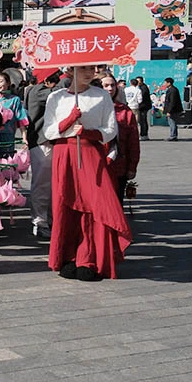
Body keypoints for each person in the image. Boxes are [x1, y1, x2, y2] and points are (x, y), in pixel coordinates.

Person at [44, 65, 131, 281]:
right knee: (65, 205)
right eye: (82, 68)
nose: (88, 72)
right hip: (64, 154)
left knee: (96, 205)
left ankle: (91, 257)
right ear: (70, 70)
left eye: (91, 68)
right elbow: (48, 130)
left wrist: (90, 132)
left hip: (91, 153)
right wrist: (69, 120)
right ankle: (68, 256)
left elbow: (111, 130)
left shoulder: (101, 95)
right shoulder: (56, 98)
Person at [25, 68, 61, 240]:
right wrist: (69, 75)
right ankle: (39, 222)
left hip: (54, 143)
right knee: (42, 185)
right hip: (41, 143)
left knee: (55, 186)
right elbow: (57, 93)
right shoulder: (37, 91)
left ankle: (53, 220)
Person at [100, 74, 140, 204]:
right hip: (96, 162)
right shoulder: (89, 109)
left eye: (112, 85)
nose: (110, 88)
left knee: (116, 202)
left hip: (118, 164)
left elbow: (133, 141)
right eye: (106, 85)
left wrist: (132, 166)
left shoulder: (124, 111)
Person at [0, 73, 29, 158]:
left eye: (1, 81)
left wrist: (24, 138)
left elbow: (21, 118)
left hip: (7, 135)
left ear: (8, 83)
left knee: (7, 162)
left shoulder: (14, 100)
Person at [162, 77, 183, 141]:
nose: (164, 84)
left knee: (172, 122)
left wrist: (169, 111)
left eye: (165, 83)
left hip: (173, 110)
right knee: (172, 122)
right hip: (172, 109)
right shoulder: (171, 89)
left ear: (169, 83)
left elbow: (172, 102)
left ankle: (173, 136)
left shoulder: (173, 90)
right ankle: (173, 135)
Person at [136, 76, 152, 140]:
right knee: (141, 121)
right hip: (142, 106)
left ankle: (144, 134)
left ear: (141, 81)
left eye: (138, 81)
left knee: (143, 121)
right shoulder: (140, 87)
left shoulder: (143, 88)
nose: (137, 82)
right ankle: (143, 134)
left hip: (144, 107)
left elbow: (142, 97)